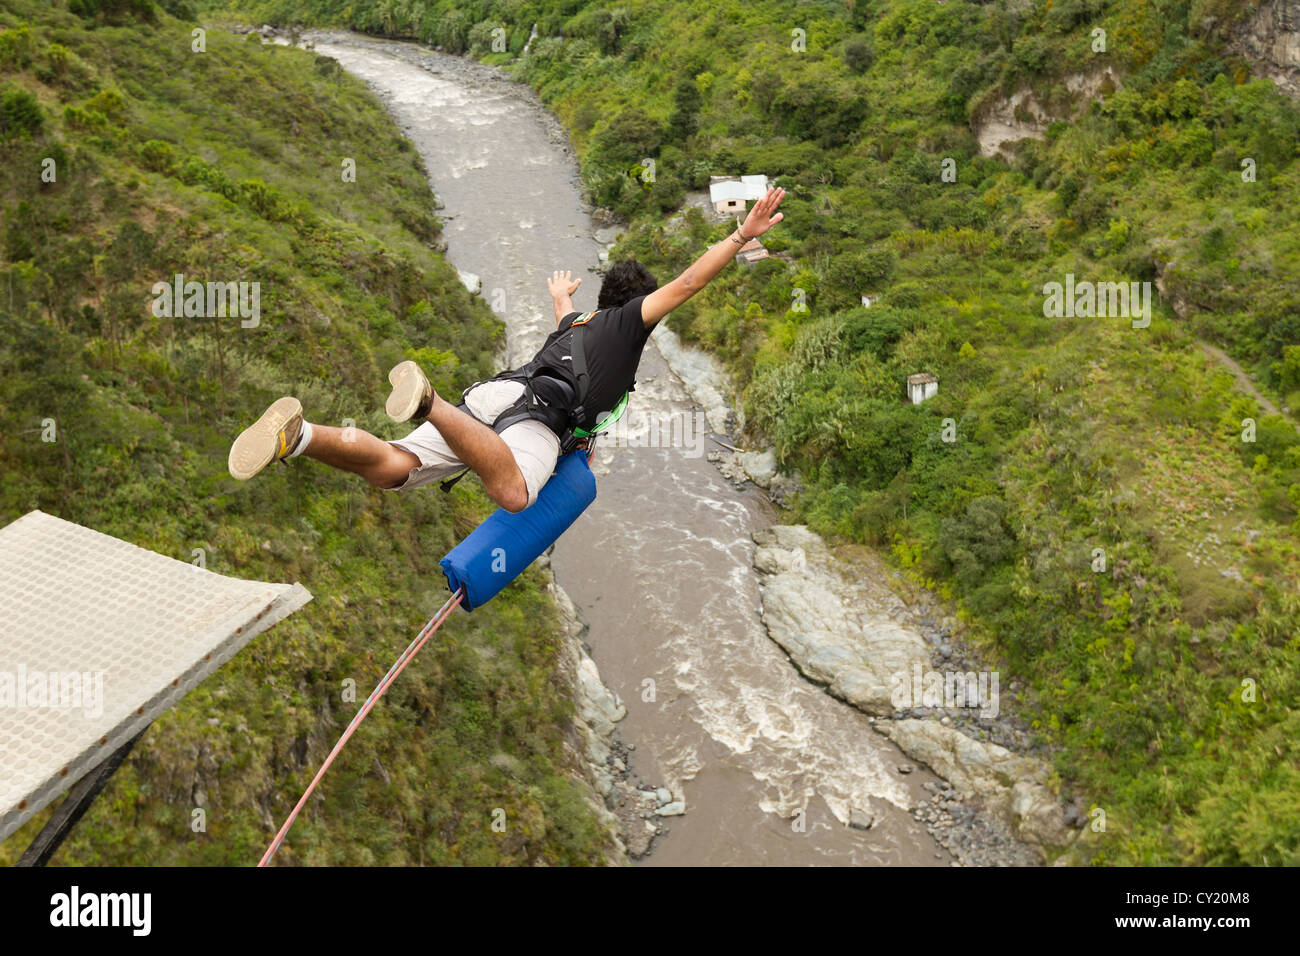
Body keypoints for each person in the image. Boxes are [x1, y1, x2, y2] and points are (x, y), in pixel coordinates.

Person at [228, 187, 786, 511]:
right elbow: (688, 283)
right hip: (535, 418)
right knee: (515, 493)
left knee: (393, 468)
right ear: (641, 307)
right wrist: (740, 237)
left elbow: (566, 319)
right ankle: (429, 404)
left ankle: (297, 437)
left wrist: (559, 296)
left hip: (498, 395)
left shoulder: (580, 321)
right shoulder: (628, 324)